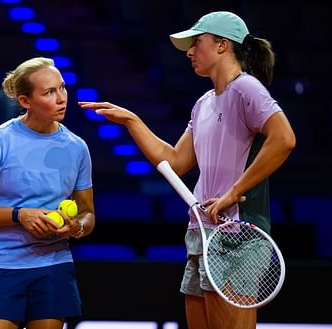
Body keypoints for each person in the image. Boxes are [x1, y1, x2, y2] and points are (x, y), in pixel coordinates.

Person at [79, 11, 295, 329]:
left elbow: (284, 139)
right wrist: (131, 121)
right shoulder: (204, 103)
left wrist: (233, 192)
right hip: (202, 233)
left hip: (238, 234)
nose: (190, 51)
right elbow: (176, 161)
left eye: (196, 43)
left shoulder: (247, 89)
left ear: (222, 45)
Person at [0, 56, 95, 329]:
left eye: (62, 88)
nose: (61, 98)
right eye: (49, 92)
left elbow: (88, 214)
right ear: (25, 101)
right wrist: (19, 215)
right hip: (2, 265)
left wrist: (75, 228)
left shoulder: (77, 148)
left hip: (53, 266)